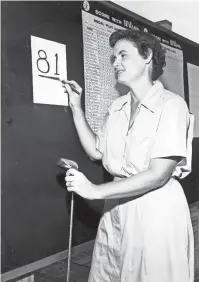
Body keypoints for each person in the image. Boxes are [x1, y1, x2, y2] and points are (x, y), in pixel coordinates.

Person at [62, 29, 194, 282]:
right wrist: (76, 107)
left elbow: (158, 175)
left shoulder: (172, 105)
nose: (115, 63)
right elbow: (96, 152)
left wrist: (95, 191)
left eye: (123, 55)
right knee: (112, 272)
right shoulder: (117, 106)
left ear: (147, 56)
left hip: (156, 208)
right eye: (113, 57)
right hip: (117, 204)